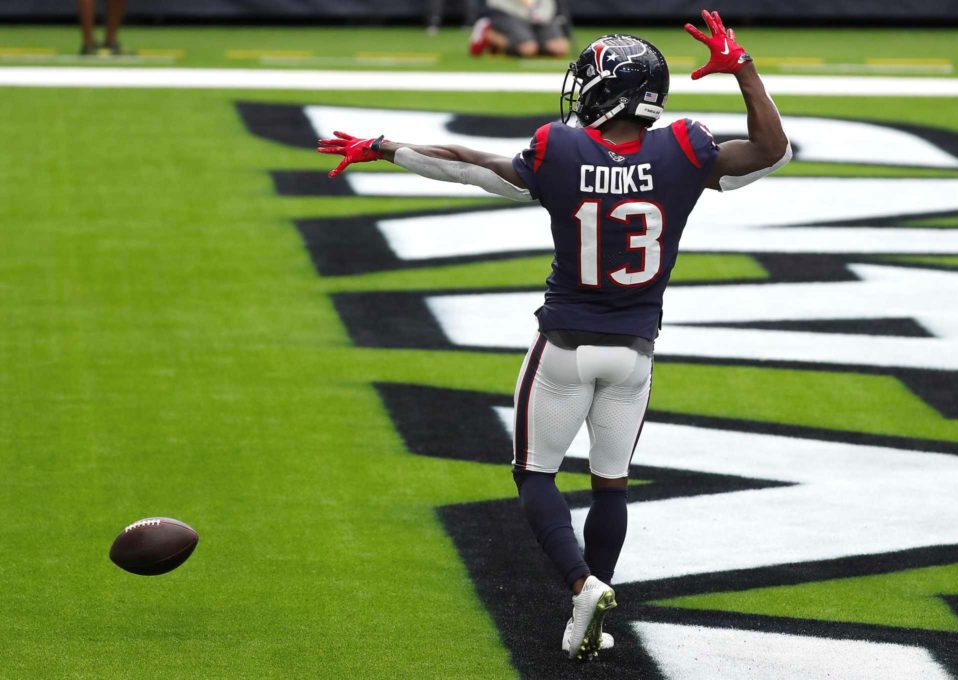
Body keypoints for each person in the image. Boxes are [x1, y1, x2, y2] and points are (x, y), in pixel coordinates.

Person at [317, 10, 790, 661]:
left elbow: (468, 165)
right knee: (611, 483)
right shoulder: (684, 149)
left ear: (608, 91)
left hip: (565, 345)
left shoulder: (559, 151)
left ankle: (581, 584)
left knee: (535, 474)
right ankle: (592, 606)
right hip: (635, 352)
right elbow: (771, 150)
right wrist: (744, 69)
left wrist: (384, 147)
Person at [468, 0, 570, 58]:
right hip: (510, 12)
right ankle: (489, 34)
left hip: (541, 15)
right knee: (528, 48)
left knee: (559, 47)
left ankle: (534, 42)